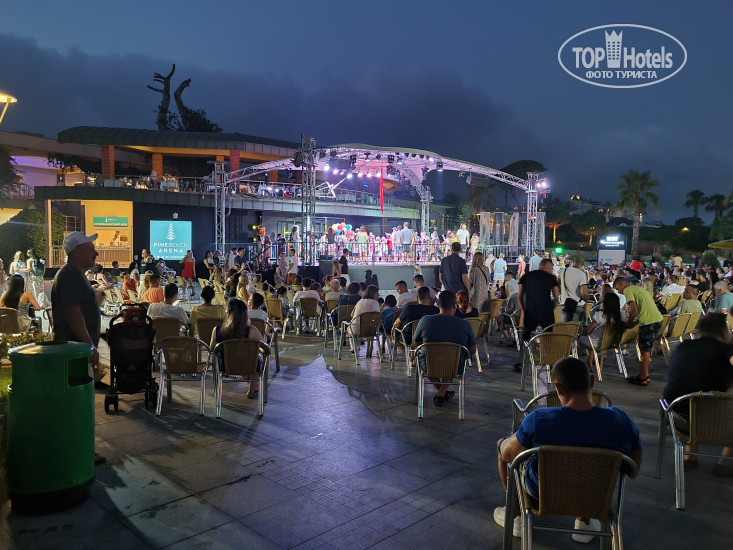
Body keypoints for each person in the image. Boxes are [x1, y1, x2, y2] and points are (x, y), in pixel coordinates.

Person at [494, 357, 642, 542]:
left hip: (543, 489)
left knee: (503, 447)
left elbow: (507, 455)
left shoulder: (538, 419)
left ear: (558, 387)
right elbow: (634, 467)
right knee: (590, 465)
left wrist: (508, 442)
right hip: (595, 492)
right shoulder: (621, 421)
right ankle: (584, 523)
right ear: (591, 382)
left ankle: (516, 516)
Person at [51, 231, 107, 465]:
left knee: (77, 402)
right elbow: (73, 313)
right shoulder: (71, 276)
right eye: (90, 248)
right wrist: (89, 346)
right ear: (76, 252)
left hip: (75, 351)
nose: (95, 253)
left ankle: (77, 450)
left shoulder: (75, 275)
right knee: (75, 403)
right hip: (73, 353)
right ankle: (77, 453)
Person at [662, 313, 733, 476]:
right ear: (724, 331)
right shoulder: (725, 349)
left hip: (674, 418)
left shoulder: (684, 346)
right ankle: (725, 463)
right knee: (713, 405)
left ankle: (689, 457)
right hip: (711, 422)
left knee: (694, 396)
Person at [413, 290, 476, 405]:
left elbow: (416, 342)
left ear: (437, 304)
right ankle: (442, 393)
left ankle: (442, 393)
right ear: (455, 305)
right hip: (454, 366)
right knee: (453, 359)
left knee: (425, 359)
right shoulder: (465, 324)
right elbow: (472, 350)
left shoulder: (425, 320)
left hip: (429, 365)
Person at [613, 276, 664, 386]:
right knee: (645, 349)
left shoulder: (628, 290)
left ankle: (643, 378)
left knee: (645, 350)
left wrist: (628, 323)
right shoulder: (638, 289)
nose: (619, 292)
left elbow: (634, 309)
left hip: (649, 321)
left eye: (617, 289)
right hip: (657, 319)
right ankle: (644, 375)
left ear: (621, 284)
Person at [210, 298, 264, 398]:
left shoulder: (217, 329)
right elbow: (265, 348)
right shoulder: (252, 330)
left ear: (228, 312)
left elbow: (212, 349)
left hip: (226, 365)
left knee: (241, 358)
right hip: (249, 364)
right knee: (255, 358)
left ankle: (253, 387)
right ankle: (252, 389)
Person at [518, 258, 560, 341]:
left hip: (530, 310)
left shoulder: (526, 276)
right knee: (548, 334)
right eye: (551, 268)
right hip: (546, 311)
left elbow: (520, 296)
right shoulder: (551, 278)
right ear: (545, 266)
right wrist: (554, 305)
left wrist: (523, 308)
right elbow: (556, 294)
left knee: (527, 334)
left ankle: (527, 348)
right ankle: (546, 348)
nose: (551, 270)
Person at [560, 253, 590, 323]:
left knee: (564, 327)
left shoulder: (563, 271)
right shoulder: (581, 274)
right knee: (576, 327)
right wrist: (587, 299)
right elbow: (584, 293)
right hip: (577, 305)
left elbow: (559, 284)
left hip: (564, 304)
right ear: (582, 264)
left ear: (572, 262)